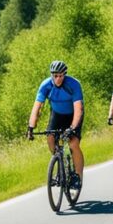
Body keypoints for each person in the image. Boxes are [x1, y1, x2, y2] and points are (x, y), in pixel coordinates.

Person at [27, 60, 85, 190]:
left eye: (61, 76)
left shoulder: (73, 84)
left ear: (64, 75)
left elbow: (78, 109)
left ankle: (77, 176)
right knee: (50, 137)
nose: (58, 79)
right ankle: (58, 160)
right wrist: (31, 126)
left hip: (73, 115)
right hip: (57, 114)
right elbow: (37, 107)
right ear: (51, 75)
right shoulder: (46, 85)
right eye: (55, 76)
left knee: (73, 143)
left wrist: (73, 128)